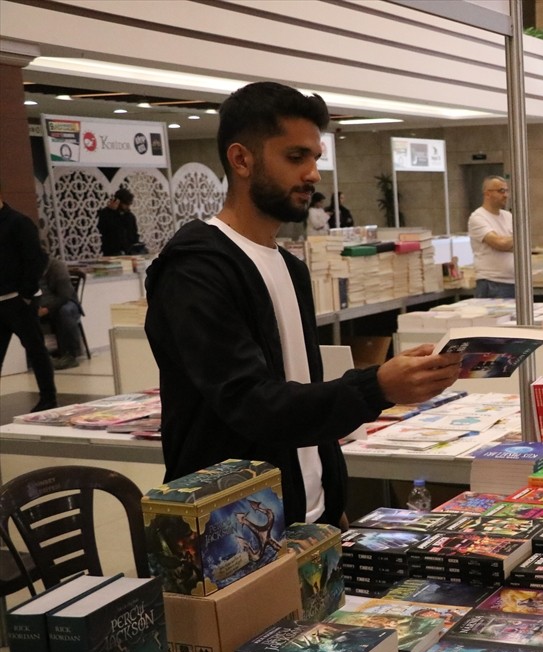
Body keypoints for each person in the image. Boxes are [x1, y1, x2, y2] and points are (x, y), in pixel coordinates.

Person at [144, 81, 463, 527]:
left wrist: (328, 499)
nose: (312, 174)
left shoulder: (290, 269)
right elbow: (251, 404)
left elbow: (298, 392)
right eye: (295, 157)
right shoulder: (196, 271)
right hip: (234, 531)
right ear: (242, 159)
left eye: (315, 158)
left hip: (309, 516)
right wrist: (377, 387)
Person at [0, 188, 57, 411]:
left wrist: (25, 294)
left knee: (35, 349)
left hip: (18, 300)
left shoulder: (18, 223)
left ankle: (48, 398)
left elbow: (36, 259)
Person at [468, 176, 515, 298]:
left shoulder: (508, 216)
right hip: (492, 283)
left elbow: (522, 245)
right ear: (487, 194)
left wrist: (509, 243)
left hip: (514, 282)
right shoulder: (478, 217)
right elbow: (500, 243)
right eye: (501, 191)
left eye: (506, 191)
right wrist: (514, 241)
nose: (506, 195)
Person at [37, 255, 84, 369]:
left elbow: (65, 296)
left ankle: (70, 355)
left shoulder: (57, 266)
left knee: (64, 311)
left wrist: (47, 309)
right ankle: (38, 355)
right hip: (40, 305)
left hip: (65, 303)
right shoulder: (29, 267)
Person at [97, 187, 141, 256]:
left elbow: (133, 234)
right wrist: (111, 212)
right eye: (126, 204)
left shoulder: (130, 216)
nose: (128, 207)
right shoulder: (106, 214)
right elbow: (103, 229)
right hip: (112, 252)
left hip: (129, 253)